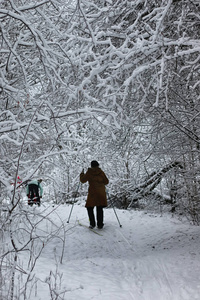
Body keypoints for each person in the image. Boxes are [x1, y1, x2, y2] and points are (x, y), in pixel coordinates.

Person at [80, 161, 109, 229]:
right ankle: (100, 224)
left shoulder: (89, 172)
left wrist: (81, 174)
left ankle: (92, 224)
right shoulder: (101, 172)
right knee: (99, 208)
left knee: (89, 208)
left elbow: (83, 180)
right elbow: (106, 182)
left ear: (91, 166)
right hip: (101, 192)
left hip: (93, 193)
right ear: (98, 165)